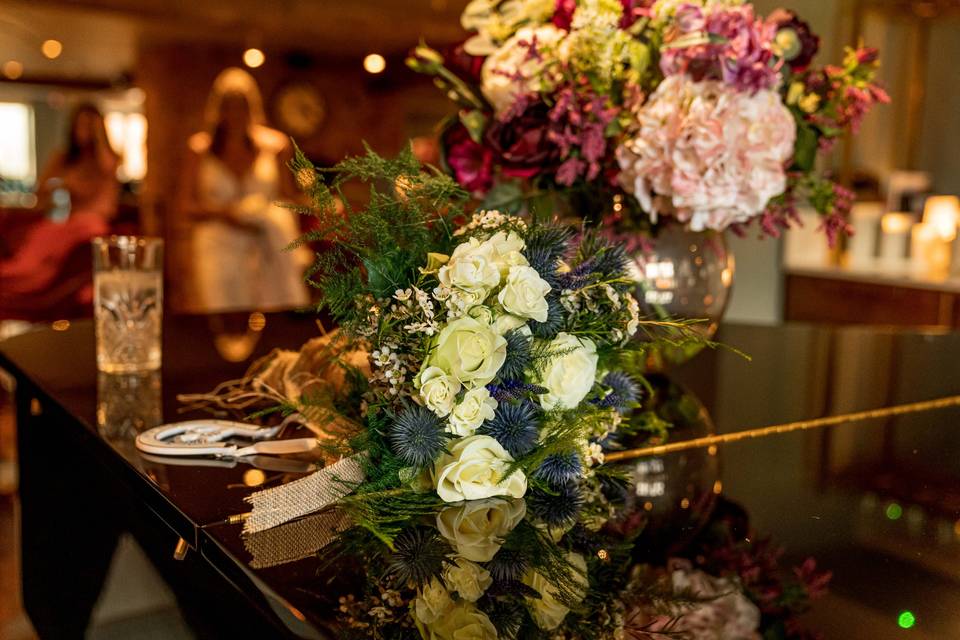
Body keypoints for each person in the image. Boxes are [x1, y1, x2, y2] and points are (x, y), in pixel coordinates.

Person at [178, 67, 310, 312]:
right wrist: (225, 212)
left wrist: (317, 203)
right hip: (218, 246)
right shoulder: (200, 149)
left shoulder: (276, 145)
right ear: (218, 108)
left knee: (271, 314)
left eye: (242, 105)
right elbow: (186, 206)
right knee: (224, 315)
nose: (235, 113)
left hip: (264, 243)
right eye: (229, 105)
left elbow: (287, 197)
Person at [0, 103, 119, 320]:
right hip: (69, 222)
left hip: (92, 225)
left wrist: (98, 136)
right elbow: (42, 191)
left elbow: (108, 165)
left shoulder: (106, 158)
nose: (85, 130)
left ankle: (31, 281)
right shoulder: (65, 159)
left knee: (71, 230)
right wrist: (61, 181)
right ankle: (21, 281)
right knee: (43, 237)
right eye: (81, 125)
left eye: (90, 125)